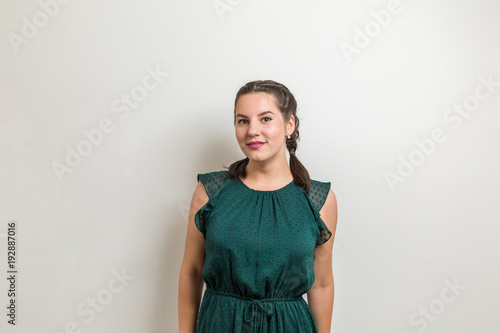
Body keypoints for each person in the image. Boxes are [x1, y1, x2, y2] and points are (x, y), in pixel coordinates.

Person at [178, 79, 338, 333]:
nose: (252, 130)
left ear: (289, 125)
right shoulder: (210, 192)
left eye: (265, 119)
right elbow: (192, 271)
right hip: (220, 324)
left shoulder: (318, 199)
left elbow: (321, 284)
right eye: (243, 121)